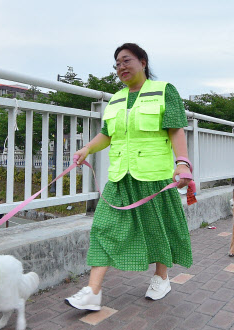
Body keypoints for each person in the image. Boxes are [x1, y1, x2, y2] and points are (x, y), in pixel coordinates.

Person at [65, 43, 193, 310]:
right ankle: (92, 292)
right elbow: (107, 135)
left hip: (153, 176)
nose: (121, 67)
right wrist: (87, 148)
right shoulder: (115, 99)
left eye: (126, 61)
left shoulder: (164, 91)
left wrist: (182, 163)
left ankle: (161, 277)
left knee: (157, 229)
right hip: (120, 176)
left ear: (143, 62)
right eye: (117, 64)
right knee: (102, 229)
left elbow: (176, 129)